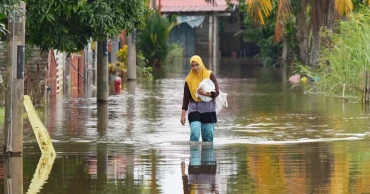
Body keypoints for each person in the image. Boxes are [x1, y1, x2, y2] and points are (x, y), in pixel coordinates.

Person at [181, 55, 219, 142]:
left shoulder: (209, 75)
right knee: (194, 134)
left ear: (201, 64)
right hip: (194, 108)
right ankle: (194, 155)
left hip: (208, 109)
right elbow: (186, 98)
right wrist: (183, 114)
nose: (195, 67)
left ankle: (208, 155)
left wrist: (204, 93)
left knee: (208, 138)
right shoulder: (188, 79)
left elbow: (216, 92)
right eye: (193, 65)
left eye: (197, 65)